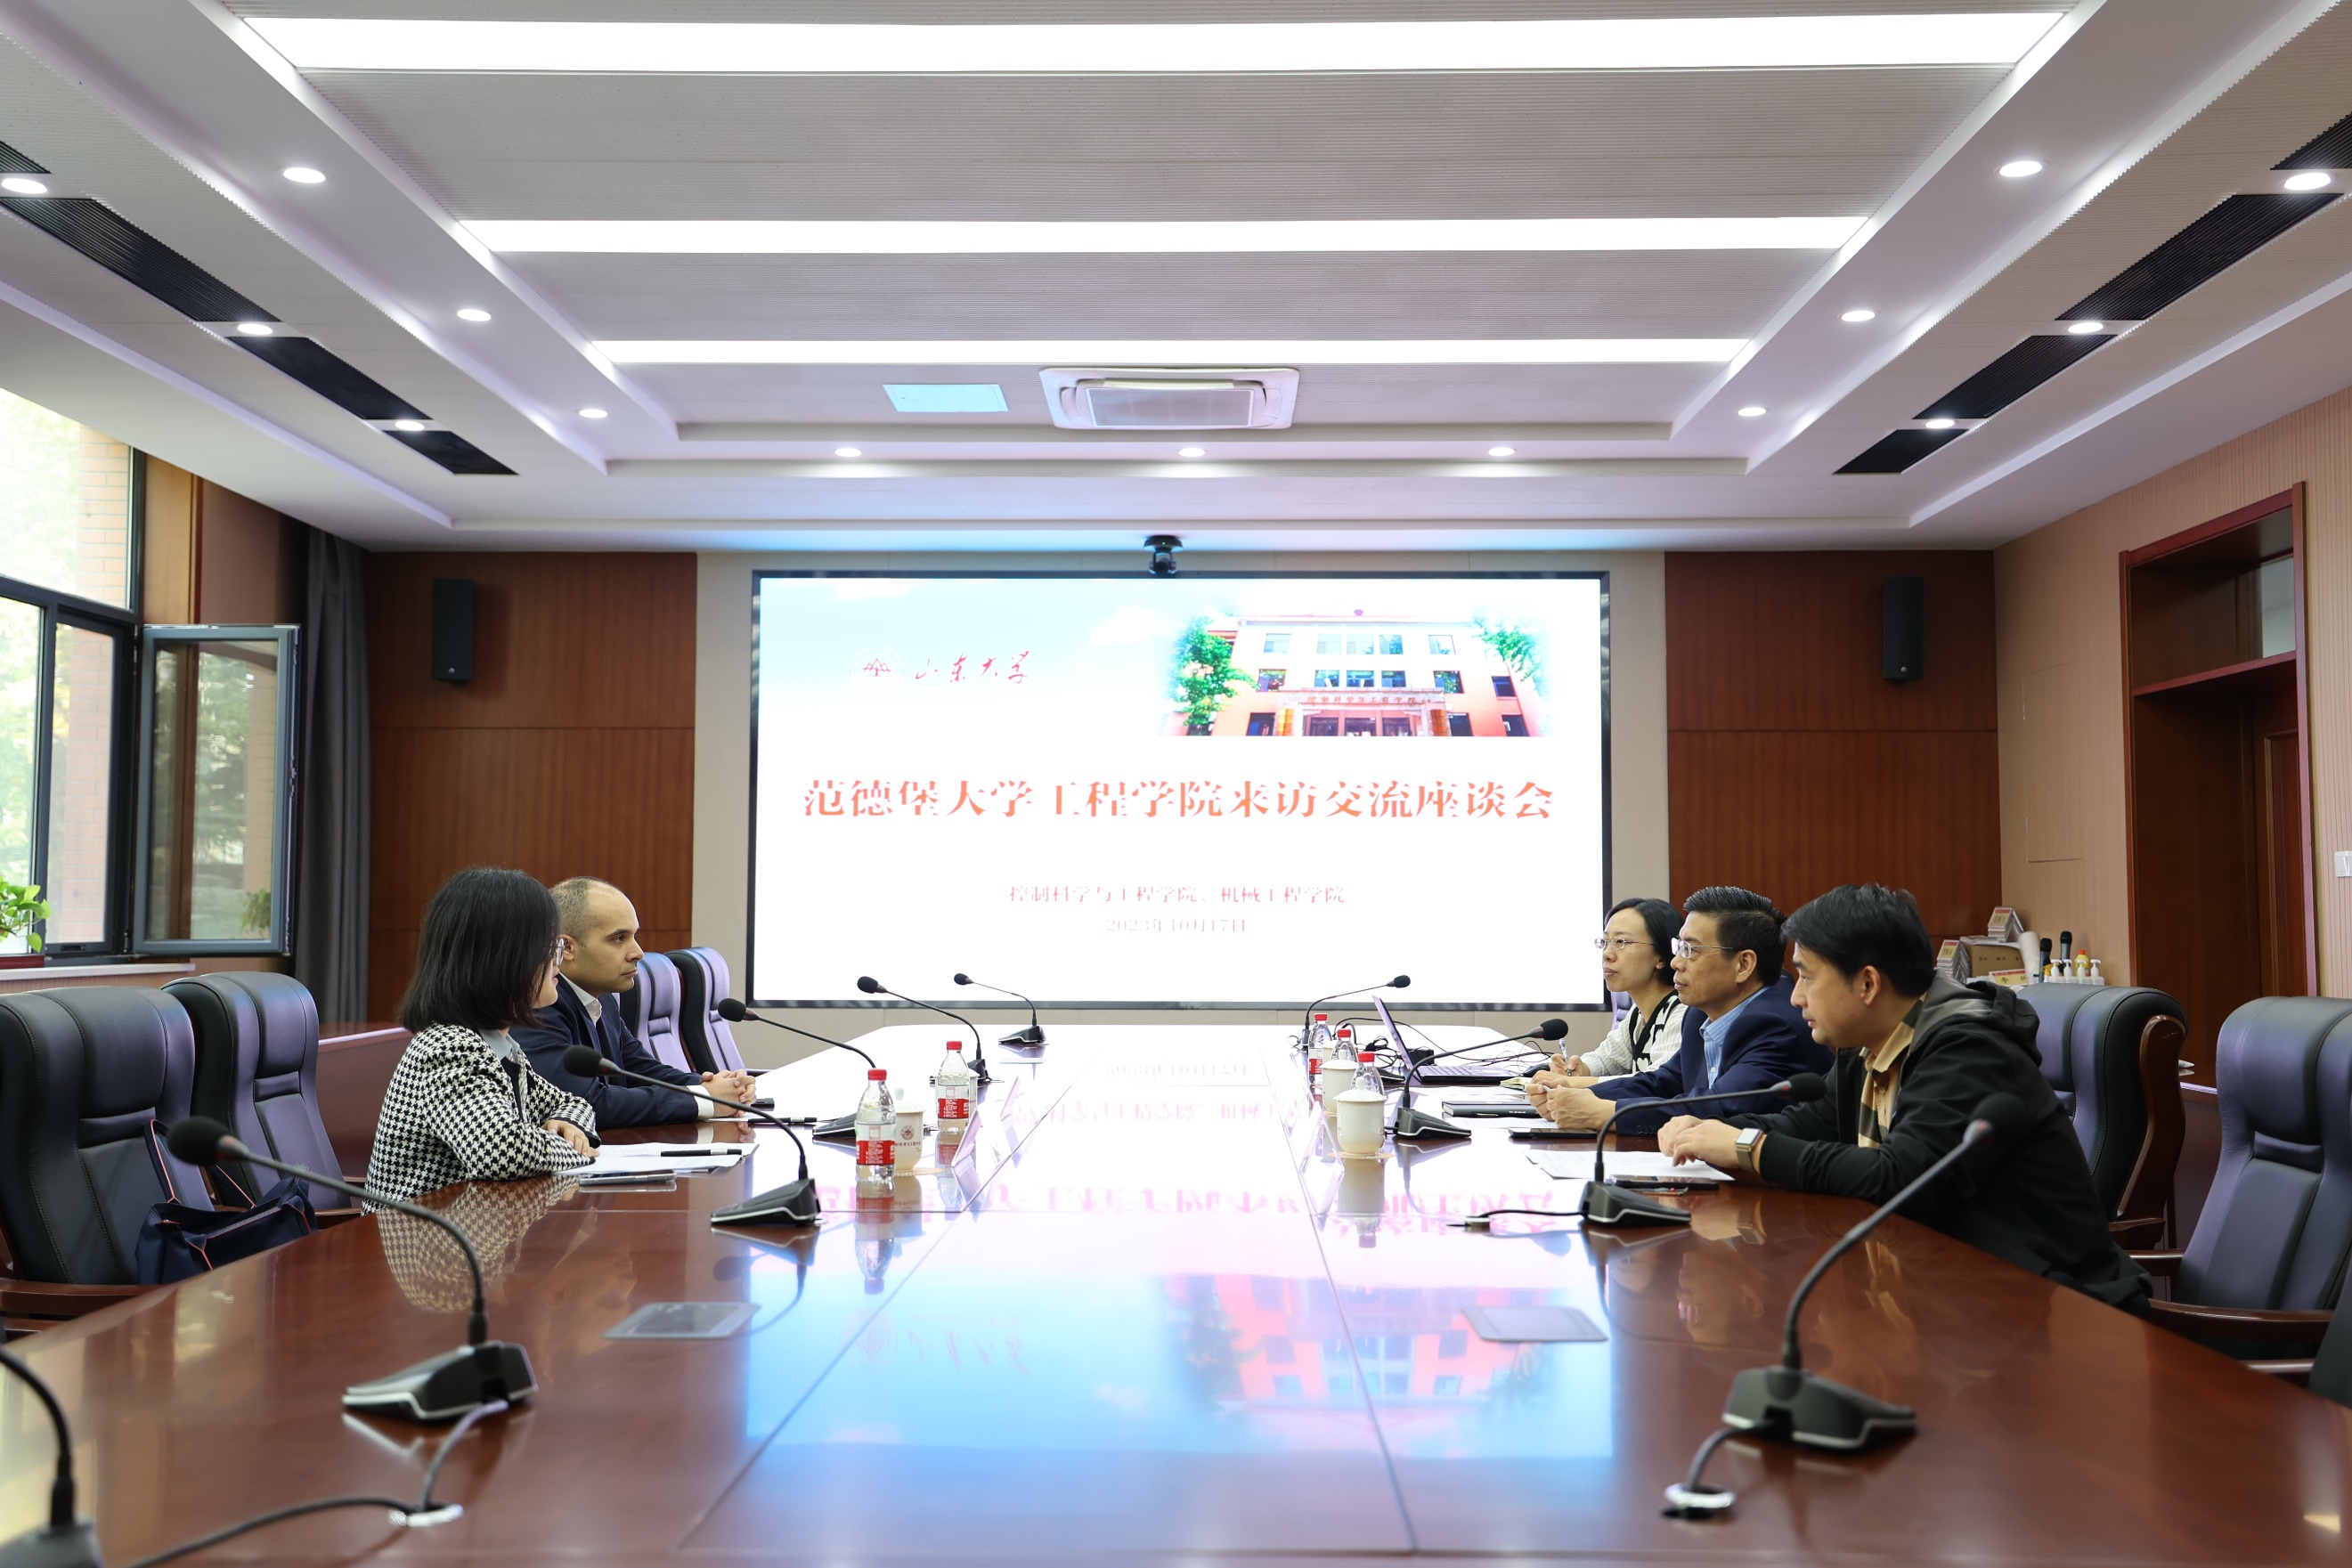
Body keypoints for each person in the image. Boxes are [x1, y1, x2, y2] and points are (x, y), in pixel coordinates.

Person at [1657, 882, 2149, 1312]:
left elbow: (1900, 1177)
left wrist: (1748, 1147)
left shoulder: (1967, 1051)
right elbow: (1812, 1122)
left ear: (1868, 983)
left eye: (1807, 976)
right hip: (1943, 1292)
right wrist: (1711, 1134)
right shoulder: (1867, 1044)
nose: (1795, 996)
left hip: (2050, 1304)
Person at [365, 868, 598, 1205]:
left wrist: (566, 1123)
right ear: (506, 958)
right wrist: (575, 1151)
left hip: (475, 1227)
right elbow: (503, 1152)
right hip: (425, 1235)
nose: (558, 962)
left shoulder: (498, 1047)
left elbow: (572, 1103)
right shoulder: (448, 1050)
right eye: (552, 947)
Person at [1531, 885, 1826, 1135]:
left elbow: (1718, 1108)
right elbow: (1664, 1082)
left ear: (1743, 965)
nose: (1675, 962)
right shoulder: (1700, 1013)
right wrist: (1573, 1091)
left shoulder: (1776, 1025)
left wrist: (1602, 1112)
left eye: (1691, 950)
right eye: (1678, 946)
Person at [514, 876, 757, 1127]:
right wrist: (704, 1100)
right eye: (619, 939)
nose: (638, 952)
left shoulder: (602, 999)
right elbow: (586, 1103)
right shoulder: (539, 1006)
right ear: (567, 948)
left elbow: (642, 1071)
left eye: (634, 936)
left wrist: (719, 1087)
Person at [1559, 897, 1686, 1079]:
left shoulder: (1681, 1013)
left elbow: (1655, 1081)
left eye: (1621, 942)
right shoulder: (1637, 1015)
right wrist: (1578, 1069)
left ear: (1661, 956)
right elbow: (1605, 1060)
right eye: (1605, 942)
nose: (1607, 954)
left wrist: (1575, 1084)